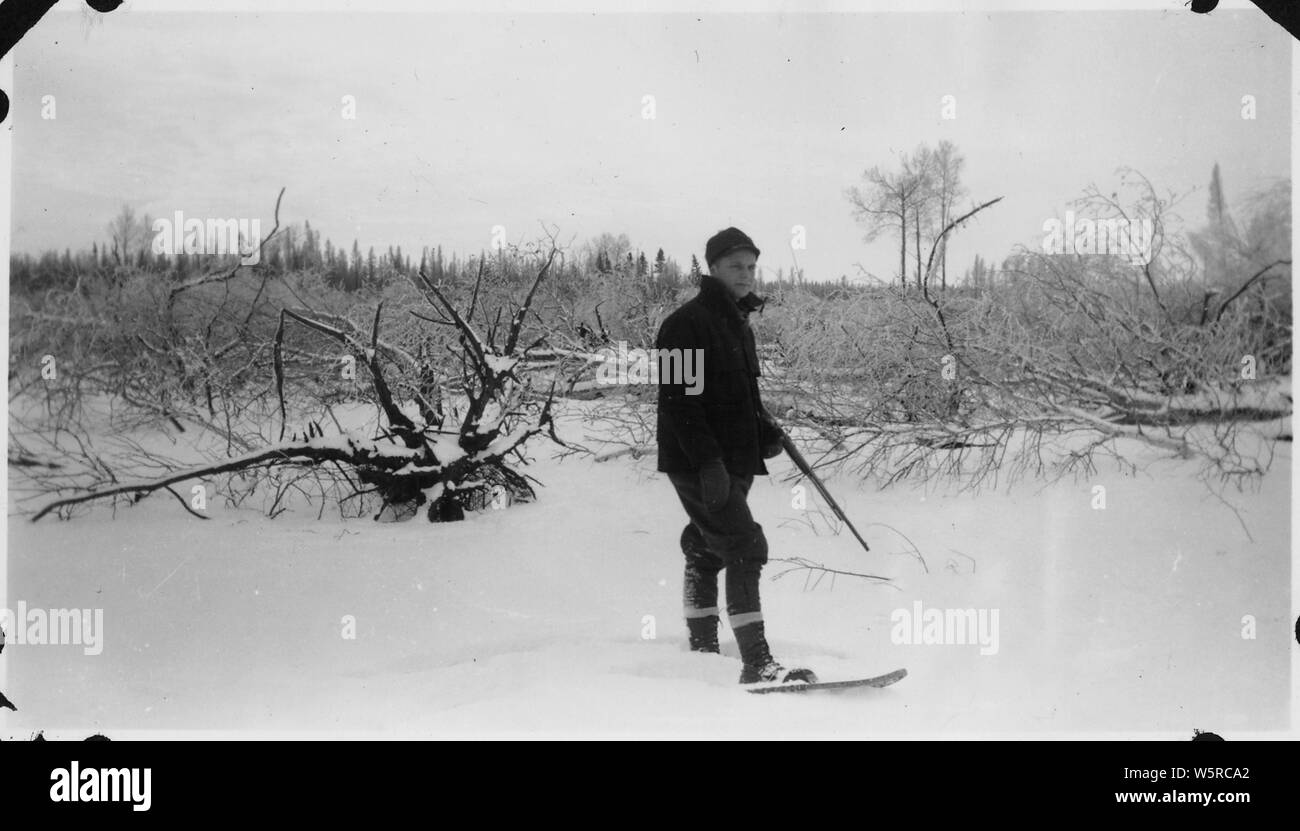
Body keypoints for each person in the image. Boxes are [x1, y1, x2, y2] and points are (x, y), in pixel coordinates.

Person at [655, 227, 816, 685]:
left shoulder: (738, 322)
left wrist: (762, 429)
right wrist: (708, 463)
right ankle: (757, 664)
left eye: (751, 266)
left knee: (709, 546)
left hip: (733, 461)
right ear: (713, 269)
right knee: (744, 546)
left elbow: (742, 394)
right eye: (735, 266)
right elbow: (679, 402)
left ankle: (703, 651)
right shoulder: (683, 324)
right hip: (698, 462)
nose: (746, 275)